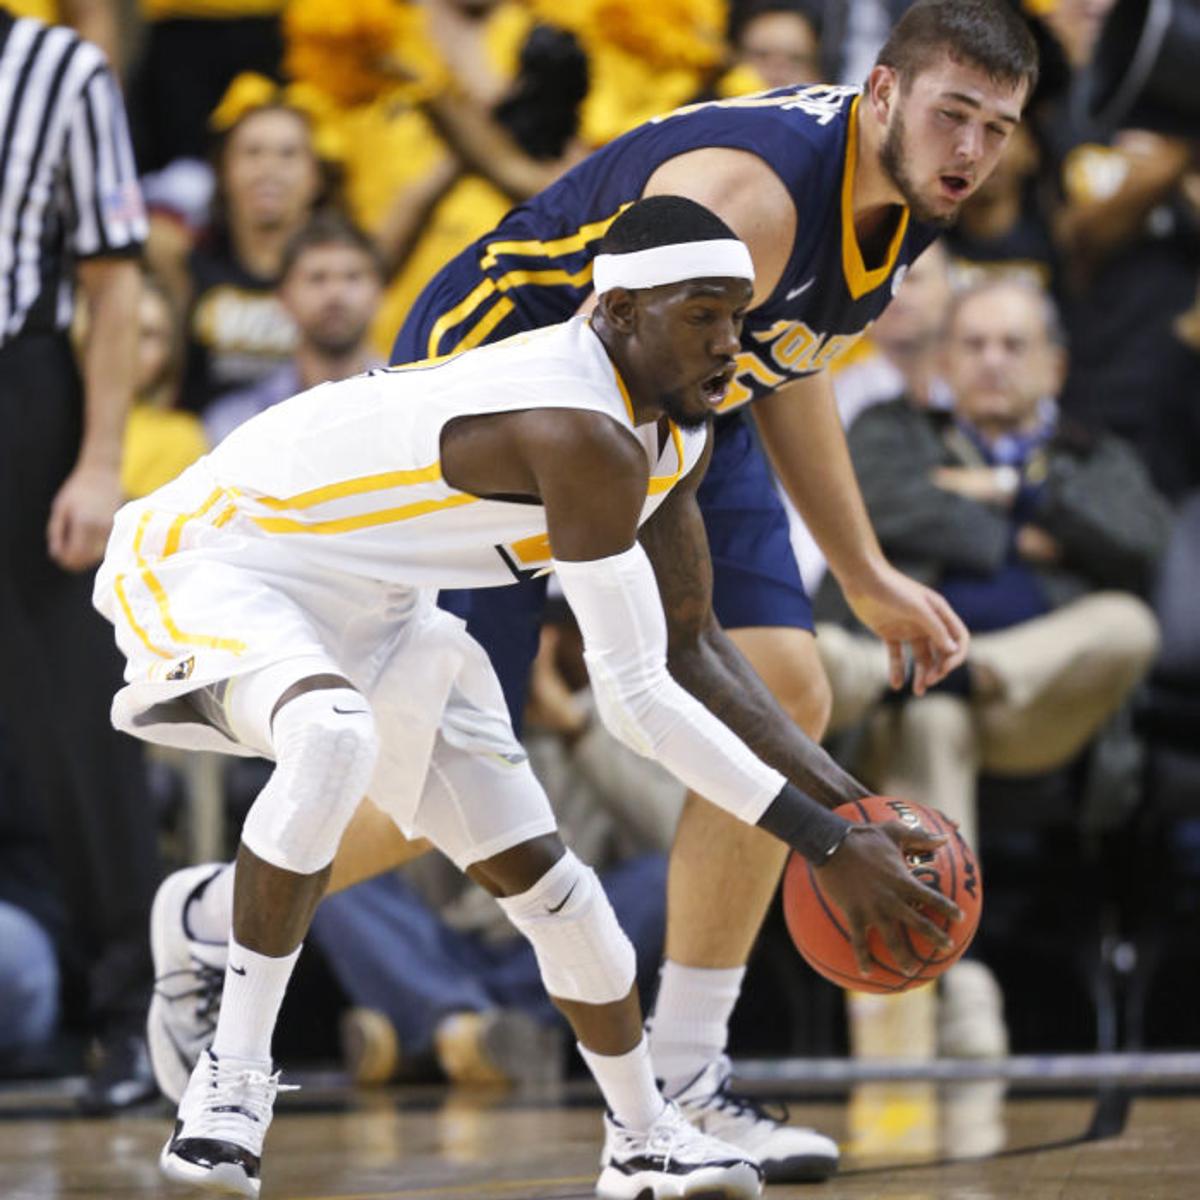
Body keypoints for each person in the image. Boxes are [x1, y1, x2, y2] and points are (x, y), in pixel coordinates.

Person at [146, 0, 1038, 1180]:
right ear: (881, 95)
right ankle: (211, 921)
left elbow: (792, 353)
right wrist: (827, 823)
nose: (972, 148)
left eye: (998, 127)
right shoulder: (754, 201)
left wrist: (865, 572)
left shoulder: (911, 190)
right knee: (446, 754)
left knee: (787, 680)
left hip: (681, 402)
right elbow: (610, 376)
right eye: (953, 115)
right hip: (518, 389)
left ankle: (686, 1075)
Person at [816, 277, 1170, 1051]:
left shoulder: (1093, 449)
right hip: (909, 720)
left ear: (1056, 366)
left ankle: (937, 667)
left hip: (1032, 713)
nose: (993, 362)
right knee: (934, 716)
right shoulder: (891, 429)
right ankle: (958, 987)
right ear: (943, 358)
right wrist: (1031, 523)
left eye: (1014, 346)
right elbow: (876, 502)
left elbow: (1142, 539)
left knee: (1126, 622)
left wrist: (1005, 488)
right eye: (973, 345)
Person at [0, 8, 161, 1111]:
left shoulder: (57, 67)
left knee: (78, 727)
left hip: (22, 391)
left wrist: (100, 459)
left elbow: (113, 282)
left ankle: (139, 1012)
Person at [203, 213, 385, 447]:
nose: (336, 294)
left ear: (380, 292)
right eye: (317, 279)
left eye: (353, 278)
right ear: (283, 298)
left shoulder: (412, 405)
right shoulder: (236, 424)